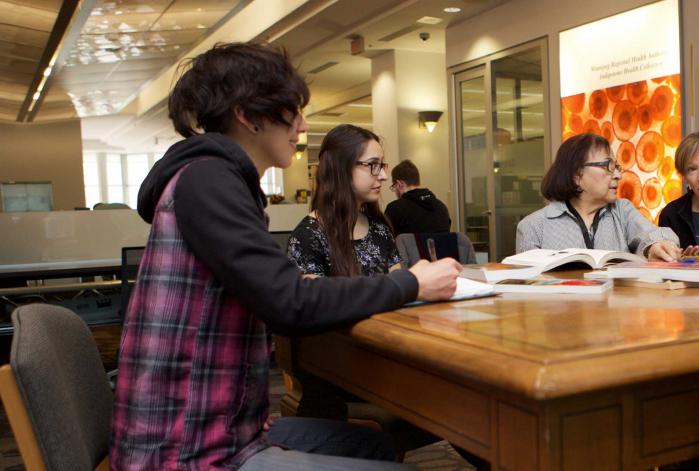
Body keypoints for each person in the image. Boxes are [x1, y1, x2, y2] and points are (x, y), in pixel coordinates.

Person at [109, 42, 460, 470]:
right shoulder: (209, 181)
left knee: (376, 446)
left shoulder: (210, 180)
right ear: (247, 114)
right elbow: (288, 303)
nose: (303, 125)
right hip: (187, 448)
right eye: (293, 111)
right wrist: (413, 282)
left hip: (219, 425)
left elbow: (276, 293)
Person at [516, 133, 681, 260]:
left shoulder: (621, 210)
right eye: (608, 166)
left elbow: (653, 235)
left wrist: (656, 246)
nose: (617, 175)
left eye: (617, 166)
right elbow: (528, 287)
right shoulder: (533, 227)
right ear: (576, 175)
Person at [288, 125, 402, 277]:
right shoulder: (308, 236)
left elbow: (399, 288)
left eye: (382, 165)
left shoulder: (380, 229)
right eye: (373, 165)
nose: (383, 176)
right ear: (341, 168)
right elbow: (315, 299)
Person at [384, 160, 452, 235]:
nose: (395, 191)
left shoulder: (394, 209)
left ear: (400, 184)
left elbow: (386, 242)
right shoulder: (442, 207)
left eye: (394, 187)